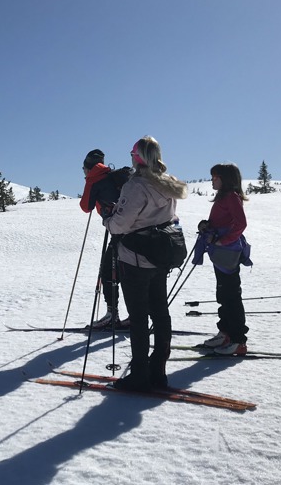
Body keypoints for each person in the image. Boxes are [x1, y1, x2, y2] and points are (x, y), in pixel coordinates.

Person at [103, 137, 187, 391]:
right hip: (160, 257)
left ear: (138, 157)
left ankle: (139, 373)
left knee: (139, 318)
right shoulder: (167, 183)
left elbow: (121, 224)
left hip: (135, 259)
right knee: (160, 313)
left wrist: (109, 218)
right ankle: (158, 370)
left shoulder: (136, 186)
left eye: (132, 154)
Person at [197, 163, 251, 355]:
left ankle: (238, 341)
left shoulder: (230, 197)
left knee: (231, 296)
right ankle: (225, 333)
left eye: (215, 177)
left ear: (225, 179)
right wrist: (207, 225)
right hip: (221, 253)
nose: (212, 180)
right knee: (224, 294)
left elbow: (241, 223)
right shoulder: (224, 197)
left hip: (227, 252)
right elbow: (223, 221)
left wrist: (222, 240)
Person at [80, 149, 130, 329]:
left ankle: (112, 314)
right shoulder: (114, 176)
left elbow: (86, 206)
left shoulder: (94, 178)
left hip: (118, 231)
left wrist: (88, 181)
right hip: (133, 230)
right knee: (128, 272)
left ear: (87, 167)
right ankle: (135, 314)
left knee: (109, 271)